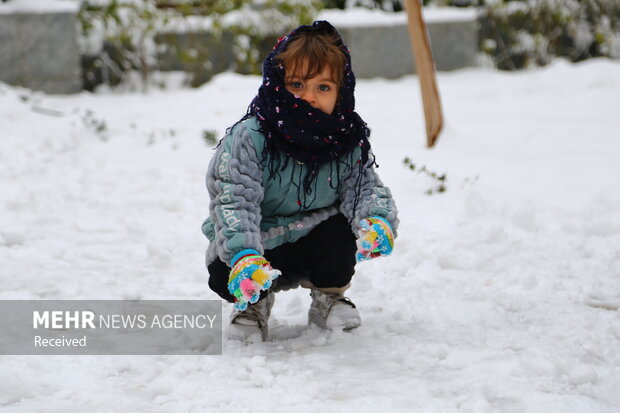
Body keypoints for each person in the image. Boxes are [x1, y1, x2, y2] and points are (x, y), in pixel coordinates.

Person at [202, 20, 399, 342]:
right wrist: (243, 256)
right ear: (277, 84)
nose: (309, 96)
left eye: (323, 87)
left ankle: (329, 297)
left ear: (341, 92)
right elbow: (234, 199)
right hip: (261, 240)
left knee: (340, 235)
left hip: (315, 235)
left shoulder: (345, 139)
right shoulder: (251, 137)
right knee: (225, 269)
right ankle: (253, 299)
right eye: (296, 84)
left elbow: (363, 187)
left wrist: (376, 221)